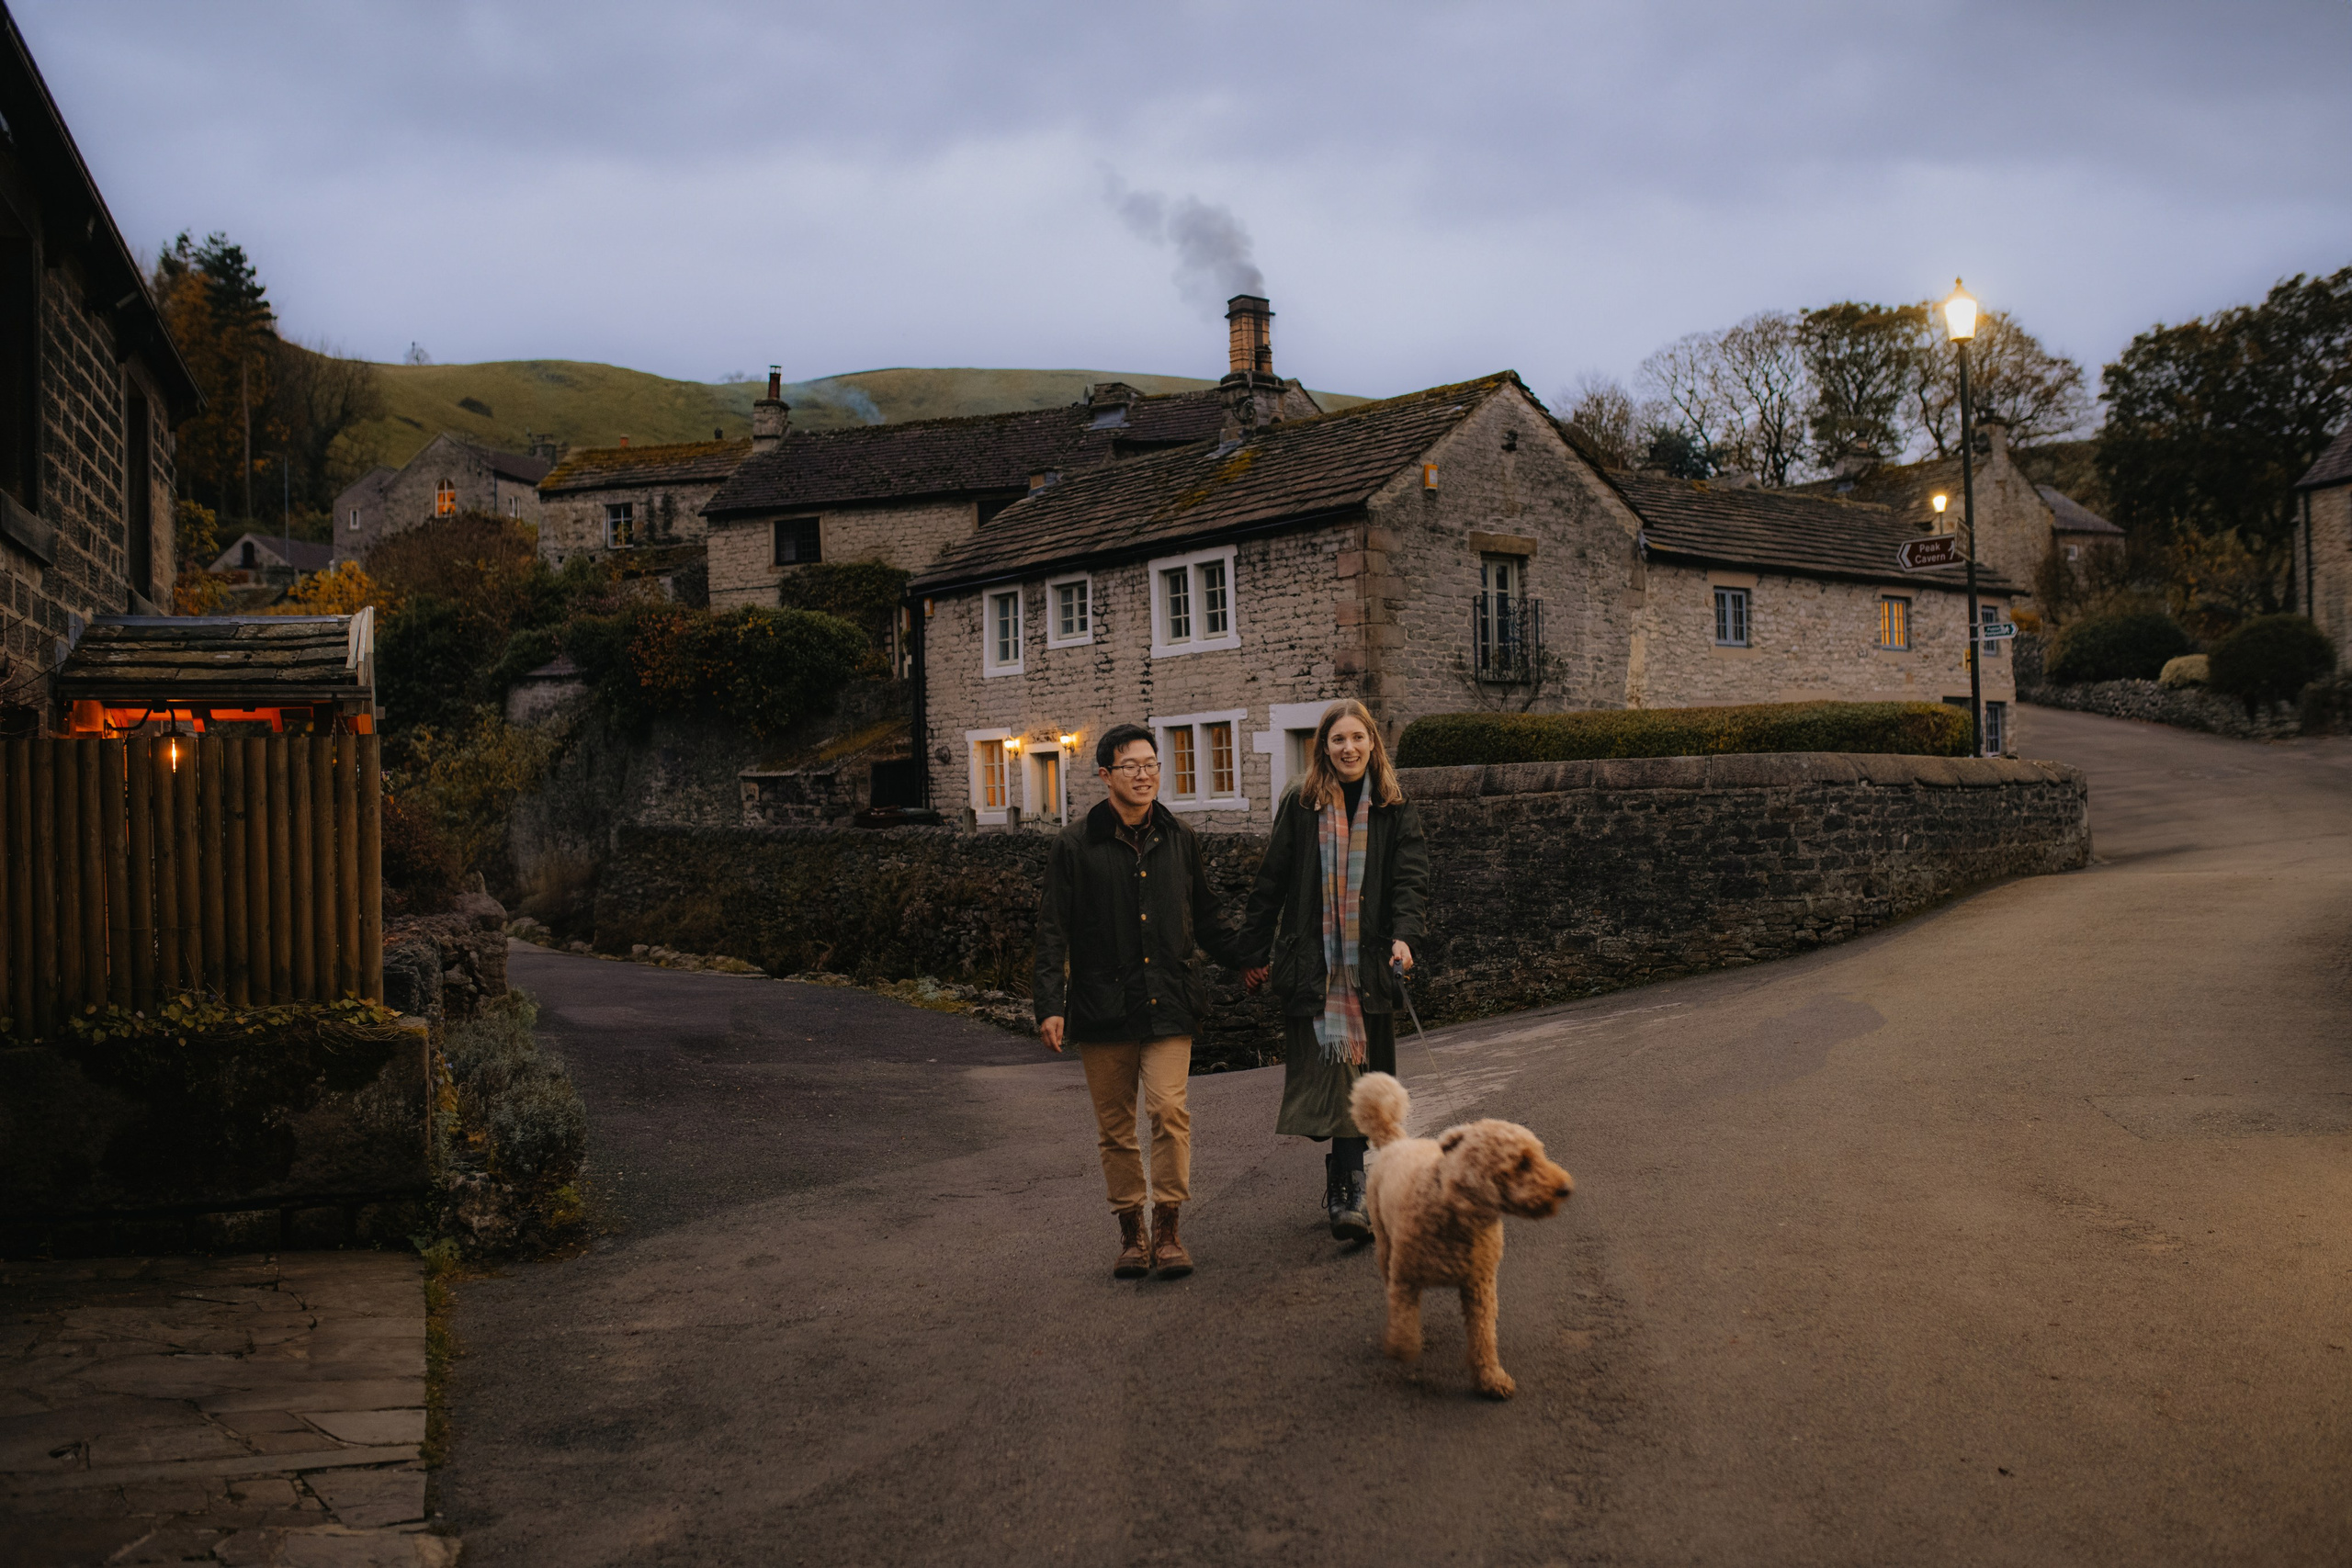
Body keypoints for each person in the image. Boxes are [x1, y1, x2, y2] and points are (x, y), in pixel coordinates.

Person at [1035, 723, 1241, 1280]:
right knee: (1116, 1128)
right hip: (1102, 1008)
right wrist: (1050, 1003)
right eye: (1132, 766)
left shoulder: (1180, 838)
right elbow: (1052, 930)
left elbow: (1210, 916)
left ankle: (1170, 1230)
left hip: (1170, 999)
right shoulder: (1074, 846)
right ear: (1105, 775)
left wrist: (1248, 958)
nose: (1146, 774)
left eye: (1152, 764)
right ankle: (1132, 1234)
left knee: (1169, 1111)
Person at [1236, 698, 1430, 1242]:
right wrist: (1252, 954)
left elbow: (1410, 881)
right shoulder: (1301, 804)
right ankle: (1348, 1186)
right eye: (1338, 739)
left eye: (1358, 738)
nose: (1348, 748)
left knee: (1360, 1079)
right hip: (1314, 966)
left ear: (1373, 744)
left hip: (1369, 966)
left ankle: (1347, 1190)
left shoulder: (1395, 807)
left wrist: (1405, 936)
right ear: (1324, 746)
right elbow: (1271, 882)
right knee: (1343, 1078)